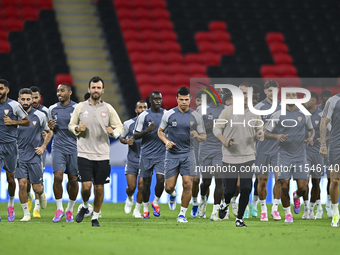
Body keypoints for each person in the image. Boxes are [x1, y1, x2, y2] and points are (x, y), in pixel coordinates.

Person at [70, 76, 123, 227]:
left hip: (102, 155)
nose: (96, 90)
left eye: (98, 88)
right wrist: (76, 129)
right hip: (84, 153)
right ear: (89, 89)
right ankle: (85, 206)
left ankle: (95, 217)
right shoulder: (80, 107)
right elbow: (71, 125)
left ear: (103, 90)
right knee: (86, 187)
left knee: (99, 188)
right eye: (93, 87)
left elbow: (120, 126)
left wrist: (114, 132)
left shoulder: (108, 108)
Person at [215, 83, 264, 227]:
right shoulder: (228, 111)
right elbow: (216, 128)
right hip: (229, 157)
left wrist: (260, 134)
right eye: (243, 93)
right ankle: (225, 203)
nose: (245, 96)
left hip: (248, 156)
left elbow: (259, 129)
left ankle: (240, 218)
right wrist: (224, 141)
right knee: (229, 190)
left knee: (246, 188)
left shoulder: (255, 113)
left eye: (248, 94)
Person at [265, 90, 314, 223]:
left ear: (297, 98)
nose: (291, 97)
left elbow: (311, 129)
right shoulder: (277, 115)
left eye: (293, 95)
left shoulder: (304, 114)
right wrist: (276, 136)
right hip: (284, 155)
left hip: (300, 156)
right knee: (284, 186)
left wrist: (311, 137)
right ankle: (288, 214)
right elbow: (266, 133)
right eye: (288, 95)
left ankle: (296, 196)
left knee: (303, 188)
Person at [158, 86, 206, 222]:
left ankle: (182, 214)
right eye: (181, 99)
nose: (184, 102)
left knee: (187, 184)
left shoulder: (196, 116)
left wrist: (197, 135)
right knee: (168, 187)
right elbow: (160, 131)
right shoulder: (168, 114)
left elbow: (204, 136)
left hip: (188, 153)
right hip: (172, 154)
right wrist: (166, 141)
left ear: (190, 99)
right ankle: (172, 195)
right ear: (177, 99)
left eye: (186, 99)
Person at [15, 88, 51, 221]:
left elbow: (49, 132)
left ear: (32, 100)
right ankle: (26, 214)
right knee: (22, 185)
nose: (25, 102)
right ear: (19, 100)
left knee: (36, 188)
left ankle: (41, 194)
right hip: (19, 156)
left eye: (28, 99)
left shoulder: (40, 115)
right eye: (22, 99)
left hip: (35, 156)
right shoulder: (14, 116)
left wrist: (43, 146)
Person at [48, 83, 79, 223]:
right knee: (58, 177)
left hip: (75, 147)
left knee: (73, 180)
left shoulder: (78, 108)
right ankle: (59, 209)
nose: (59, 93)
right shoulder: (52, 109)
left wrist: (80, 128)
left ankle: (70, 210)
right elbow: (50, 129)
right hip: (58, 147)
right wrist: (50, 127)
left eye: (62, 91)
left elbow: (84, 129)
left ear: (70, 92)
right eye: (57, 91)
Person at [0, 79, 30, 222]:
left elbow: (27, 121)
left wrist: (13, 122)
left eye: (1, 88)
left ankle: (11, 205)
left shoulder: (14, 105)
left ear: (7, 90)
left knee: (11, 180)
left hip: (11, 146)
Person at [252, 80, 282, 221]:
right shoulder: (258, 107)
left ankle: (275, 209)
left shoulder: (283, 107)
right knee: (262, 181)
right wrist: (264, 127)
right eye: (270, 90)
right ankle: (263, 208)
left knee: (279, 180)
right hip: (262, 149)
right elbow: (251, 128)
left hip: (279, 149)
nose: (272, 93)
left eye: (274, 90)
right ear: (265, 91)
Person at [134, 91, 165, 219]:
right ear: (150, 101)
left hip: (162, 154)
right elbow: (135, 135)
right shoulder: (144, 115)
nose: (158, 101)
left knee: (161, 180)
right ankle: (145, 208)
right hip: (146, 154)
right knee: (145, 184)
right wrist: (147, 130)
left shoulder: (167, 114)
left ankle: (156, 201)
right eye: (155, 99)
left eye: (159, 98)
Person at [196, 87, 225, 221]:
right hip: (205, 148)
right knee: (206, 181)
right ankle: (202, 200)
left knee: (220, 179)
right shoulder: (201, 109)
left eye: (221, 93)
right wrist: (210, 126)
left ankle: (215, 212)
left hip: (221, 149)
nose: (219, 95)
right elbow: (194, 129)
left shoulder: (227, 110)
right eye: (216, 92)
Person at [302, 92, 331, 219]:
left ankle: (312, 209)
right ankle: (306, 208)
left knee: (316, 181)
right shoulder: (300, 115)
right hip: (303, 153)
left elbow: (334, 130)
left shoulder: (322, 116)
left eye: (306, 100)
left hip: (318, 154)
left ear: (313, 101)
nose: (303, 102)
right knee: (304, 181)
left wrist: (324, 139)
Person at [120, 100, 148, 218]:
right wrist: (127, 141)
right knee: (132, 187)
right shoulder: (128, 124)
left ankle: (137, 210)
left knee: (141, 186)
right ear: (136, 110)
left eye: (145, 107)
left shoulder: (153, 124)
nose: (142, 109)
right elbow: (121, 137)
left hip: (145, 161)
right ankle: (129, 196)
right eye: (140, 107)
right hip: (132, 160)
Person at [26, 86, 49, 218]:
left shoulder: (45, 111)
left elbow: (50, 129)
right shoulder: (22, 111)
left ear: (40, 98)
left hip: (39, 151)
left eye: (36, 97)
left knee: (37, 181)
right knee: (26, 182)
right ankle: (29, 197)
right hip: (25, 151)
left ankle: (36, 208)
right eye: (31, 98)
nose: (34, 100)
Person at [320, 92, 340, 227]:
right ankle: (335, 212)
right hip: (336, 145)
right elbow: (323, 121)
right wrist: (323, 144)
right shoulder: (333, 101)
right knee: (334, 181)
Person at [317, 89, 333, 217]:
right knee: (315, 178)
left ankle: (328, 203)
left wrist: (325, 140)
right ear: (321, 99)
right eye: (325, 100)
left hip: (330, 149)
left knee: (330, 177)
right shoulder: (315, 111)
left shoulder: (334, 110)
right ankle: (316, 206)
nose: (327, 102)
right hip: (313, 150)